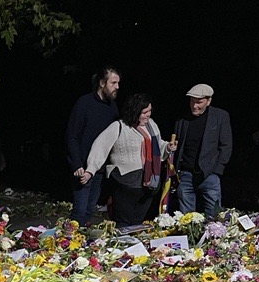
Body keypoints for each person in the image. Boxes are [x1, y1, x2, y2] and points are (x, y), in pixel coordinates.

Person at [79, 93, 176, 230]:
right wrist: (90, 170)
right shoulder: (119, 127)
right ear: (134, 111)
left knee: (137, 223)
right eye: (144, 112)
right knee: (123, 223)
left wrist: (167, 147)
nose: (148, 115)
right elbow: (100, 147)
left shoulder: (151, 125)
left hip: (149, 183)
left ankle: (133, 250)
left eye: (149, 111)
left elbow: (158, 145)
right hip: (126, 181)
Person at [65, 66, 121, 226]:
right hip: (82, 167)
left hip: (100, 168)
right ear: (102, 83)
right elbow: (72, 135)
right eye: (113, 83)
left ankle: (81, 243)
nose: (117, 87)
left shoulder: (112, 106)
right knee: (79, 211)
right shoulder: (84, 103)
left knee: (90, 209)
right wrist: (76, 163)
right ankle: (68, 244)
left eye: (118, 83)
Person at [173, 84, 232, 220]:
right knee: (187, 220)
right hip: (186, 176)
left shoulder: (220, 116)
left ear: (208, 101)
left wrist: (217, 170)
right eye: (192, 101)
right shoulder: (183, 118)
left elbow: (226, 145)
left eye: (199, 102)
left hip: (210, 176)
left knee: (215, 218)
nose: (195, 106)